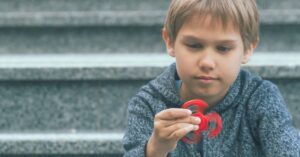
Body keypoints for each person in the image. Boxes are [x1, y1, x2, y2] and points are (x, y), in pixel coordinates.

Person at [122, 0, 300, 156]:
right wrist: (155, 149)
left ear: (247, 49)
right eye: (194, 45)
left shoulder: (261, 98)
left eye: (223, 48)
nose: (207, 62)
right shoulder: (148, 103)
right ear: (170, 42)